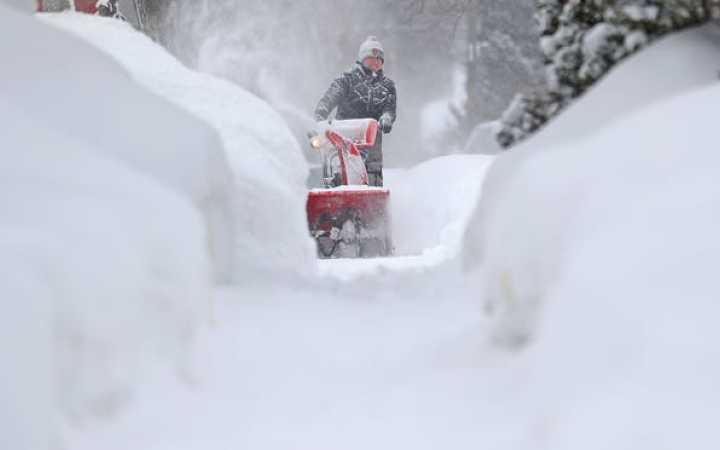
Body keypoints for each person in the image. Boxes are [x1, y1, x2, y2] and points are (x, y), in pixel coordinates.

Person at [314, 36, 397, 187]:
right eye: (372, 58)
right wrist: (321, 113)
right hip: (344, 133)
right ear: (362, 59)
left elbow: (389, 110)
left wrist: (387, 118)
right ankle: (337, 189)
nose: (376, 62)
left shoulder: (387, 86)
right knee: (340, 166)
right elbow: (331, 97)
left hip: (371, 137)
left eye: (380, 59)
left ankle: (373, 195)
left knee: (372, 169)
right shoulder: (347, 79)